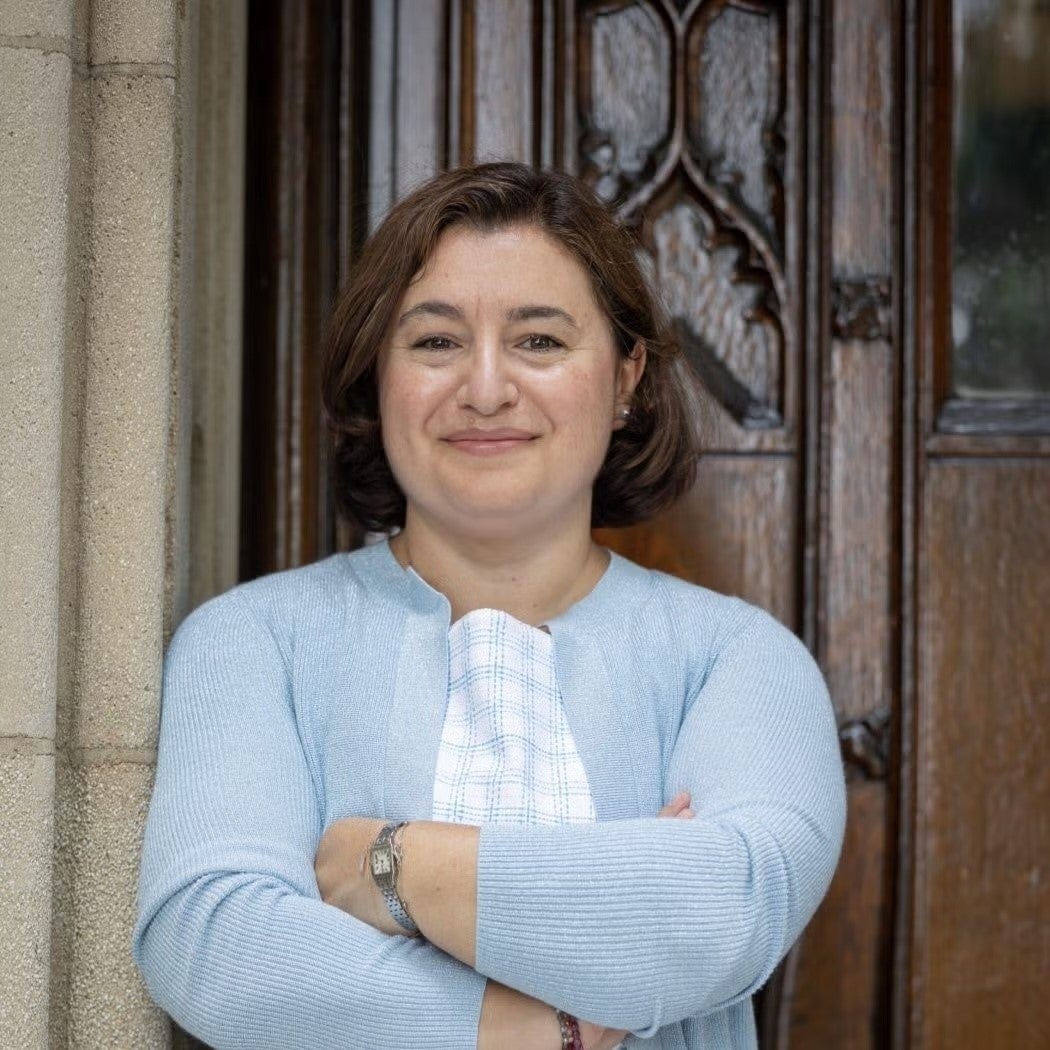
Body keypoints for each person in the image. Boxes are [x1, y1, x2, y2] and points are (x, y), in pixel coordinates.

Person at [133, 162, 846, 1049]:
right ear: (377, 376)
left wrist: (387, 864)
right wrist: (539, 1023)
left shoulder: (736, 660)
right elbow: (213, 943)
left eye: (539, 342)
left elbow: (726, 907)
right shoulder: (250, 645)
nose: (484, 388)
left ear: (626, 378)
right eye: (434, 342)